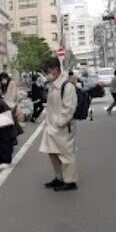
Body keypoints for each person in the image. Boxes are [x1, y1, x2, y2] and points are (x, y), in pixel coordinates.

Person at [40, 57, 78, 192]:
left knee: (66, 154)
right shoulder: (53, 85)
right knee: (53, 153)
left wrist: (58, 124)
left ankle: (70, 181)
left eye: (47, 71)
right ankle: (59, 177)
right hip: (52, 126)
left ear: (56, 69)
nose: (46, 74)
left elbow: (69, 109)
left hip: (62, 127)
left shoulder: (67, 86)